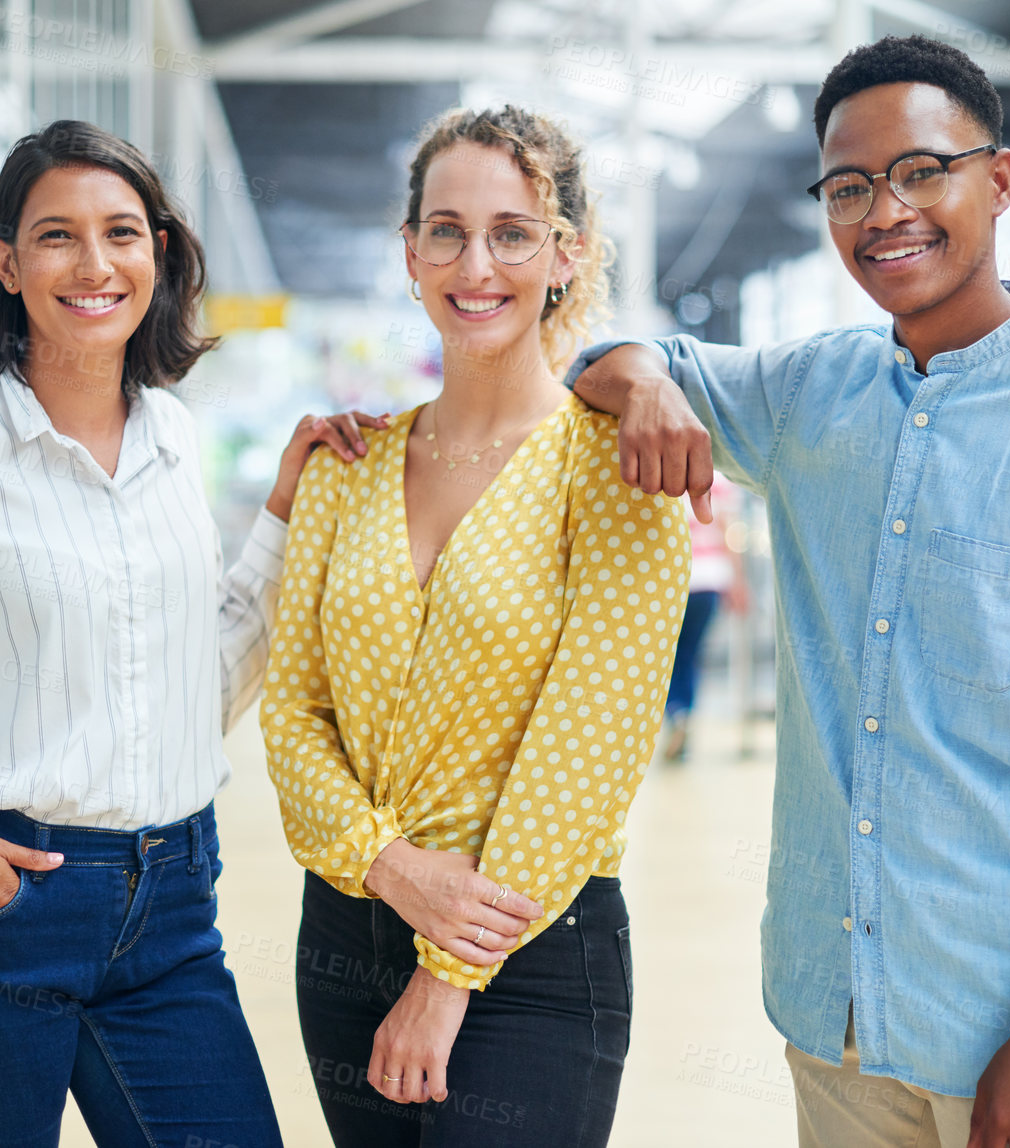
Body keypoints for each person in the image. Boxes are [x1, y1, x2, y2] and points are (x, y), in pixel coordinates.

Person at [569, 36, 1010, 1148]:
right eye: (851, 186)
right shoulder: (809, 389)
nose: (885, 211)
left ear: (997, 180)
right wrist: (645, 389)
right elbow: (602, 352)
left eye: (922, 171)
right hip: (839, 1017)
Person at [0, 120, 383, 1148]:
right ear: (7, 263)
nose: (95, 263)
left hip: (172, 911)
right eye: (57, 235)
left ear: (159, 252)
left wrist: (286, 512)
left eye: (122, 232)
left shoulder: (173, 438)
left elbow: (196, 684)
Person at [259, 106, 690, 1147]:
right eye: (445, 229)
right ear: (409, 253)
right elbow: (291, 713)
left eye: (512, 231)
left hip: (530, 947)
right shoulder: (343, 467)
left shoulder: (615, 468)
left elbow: (585, 751)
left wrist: (447, 975)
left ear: (565, 254)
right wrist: (388, 867)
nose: (475, 261)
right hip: (347, 931)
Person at [661, 472, 749, 762]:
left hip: (672, 582)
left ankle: (674, 712)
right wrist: (738, 582)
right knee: (690, 653)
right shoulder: (719, 481)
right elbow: (727, 532)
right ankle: (683, 712)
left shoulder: (664, 473)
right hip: (711, 579)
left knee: (668, 656)